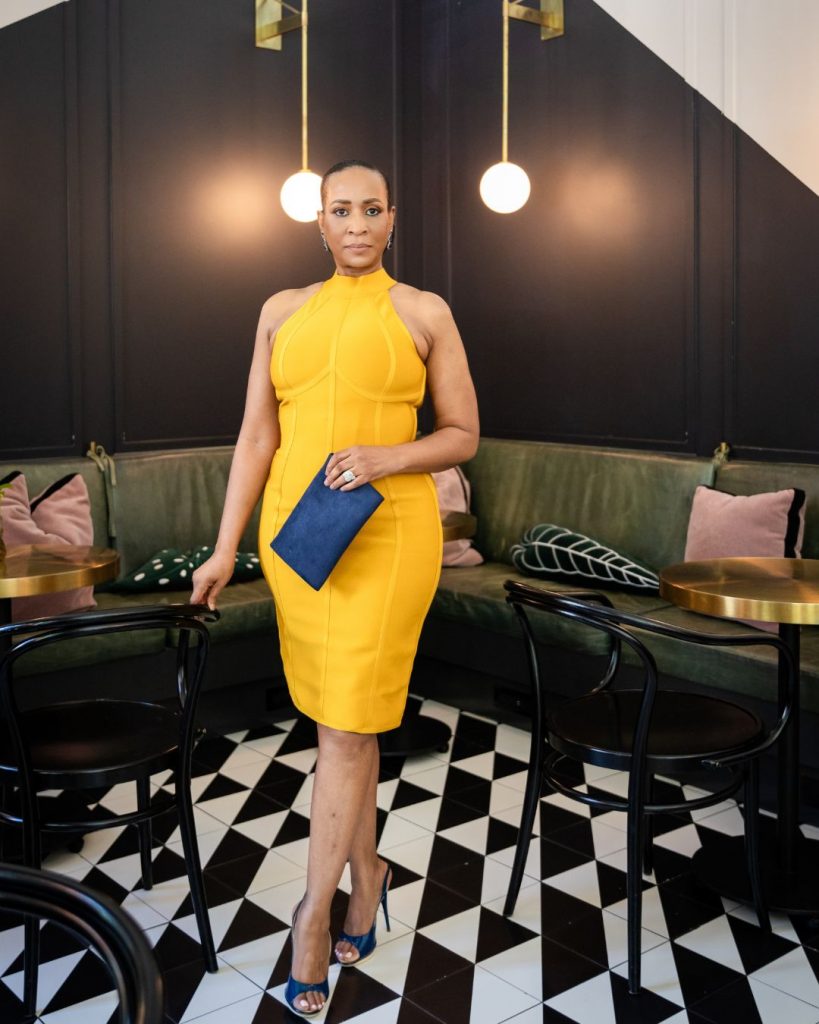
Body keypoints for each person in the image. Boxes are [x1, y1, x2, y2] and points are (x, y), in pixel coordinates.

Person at [191, 159, 479, 1016]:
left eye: (372, 209)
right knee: (339, 725)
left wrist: (390, 455)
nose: (357, 224)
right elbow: (254, 439)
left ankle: (311, 918)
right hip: (298, 541)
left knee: (348, 729)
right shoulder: (280, 311)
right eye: (340, 210)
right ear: (318, 223)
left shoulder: (424, 311)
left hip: (388, 538)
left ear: (393, 220)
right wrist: (221, 550)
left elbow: (463, 433)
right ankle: (367, 874)